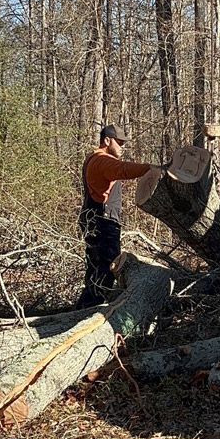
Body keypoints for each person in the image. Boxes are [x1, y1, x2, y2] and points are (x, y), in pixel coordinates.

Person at [77, 124, 159, 307]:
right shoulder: (102, 160)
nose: (123, 146)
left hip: (94, 217)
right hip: (103, 220)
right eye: (119, 142)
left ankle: (83, 308)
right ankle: (89, 310)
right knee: (107, 268)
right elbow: (123, 170)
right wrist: (151, 168)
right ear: (107, 141)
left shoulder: (94, 158)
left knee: (95, 267)